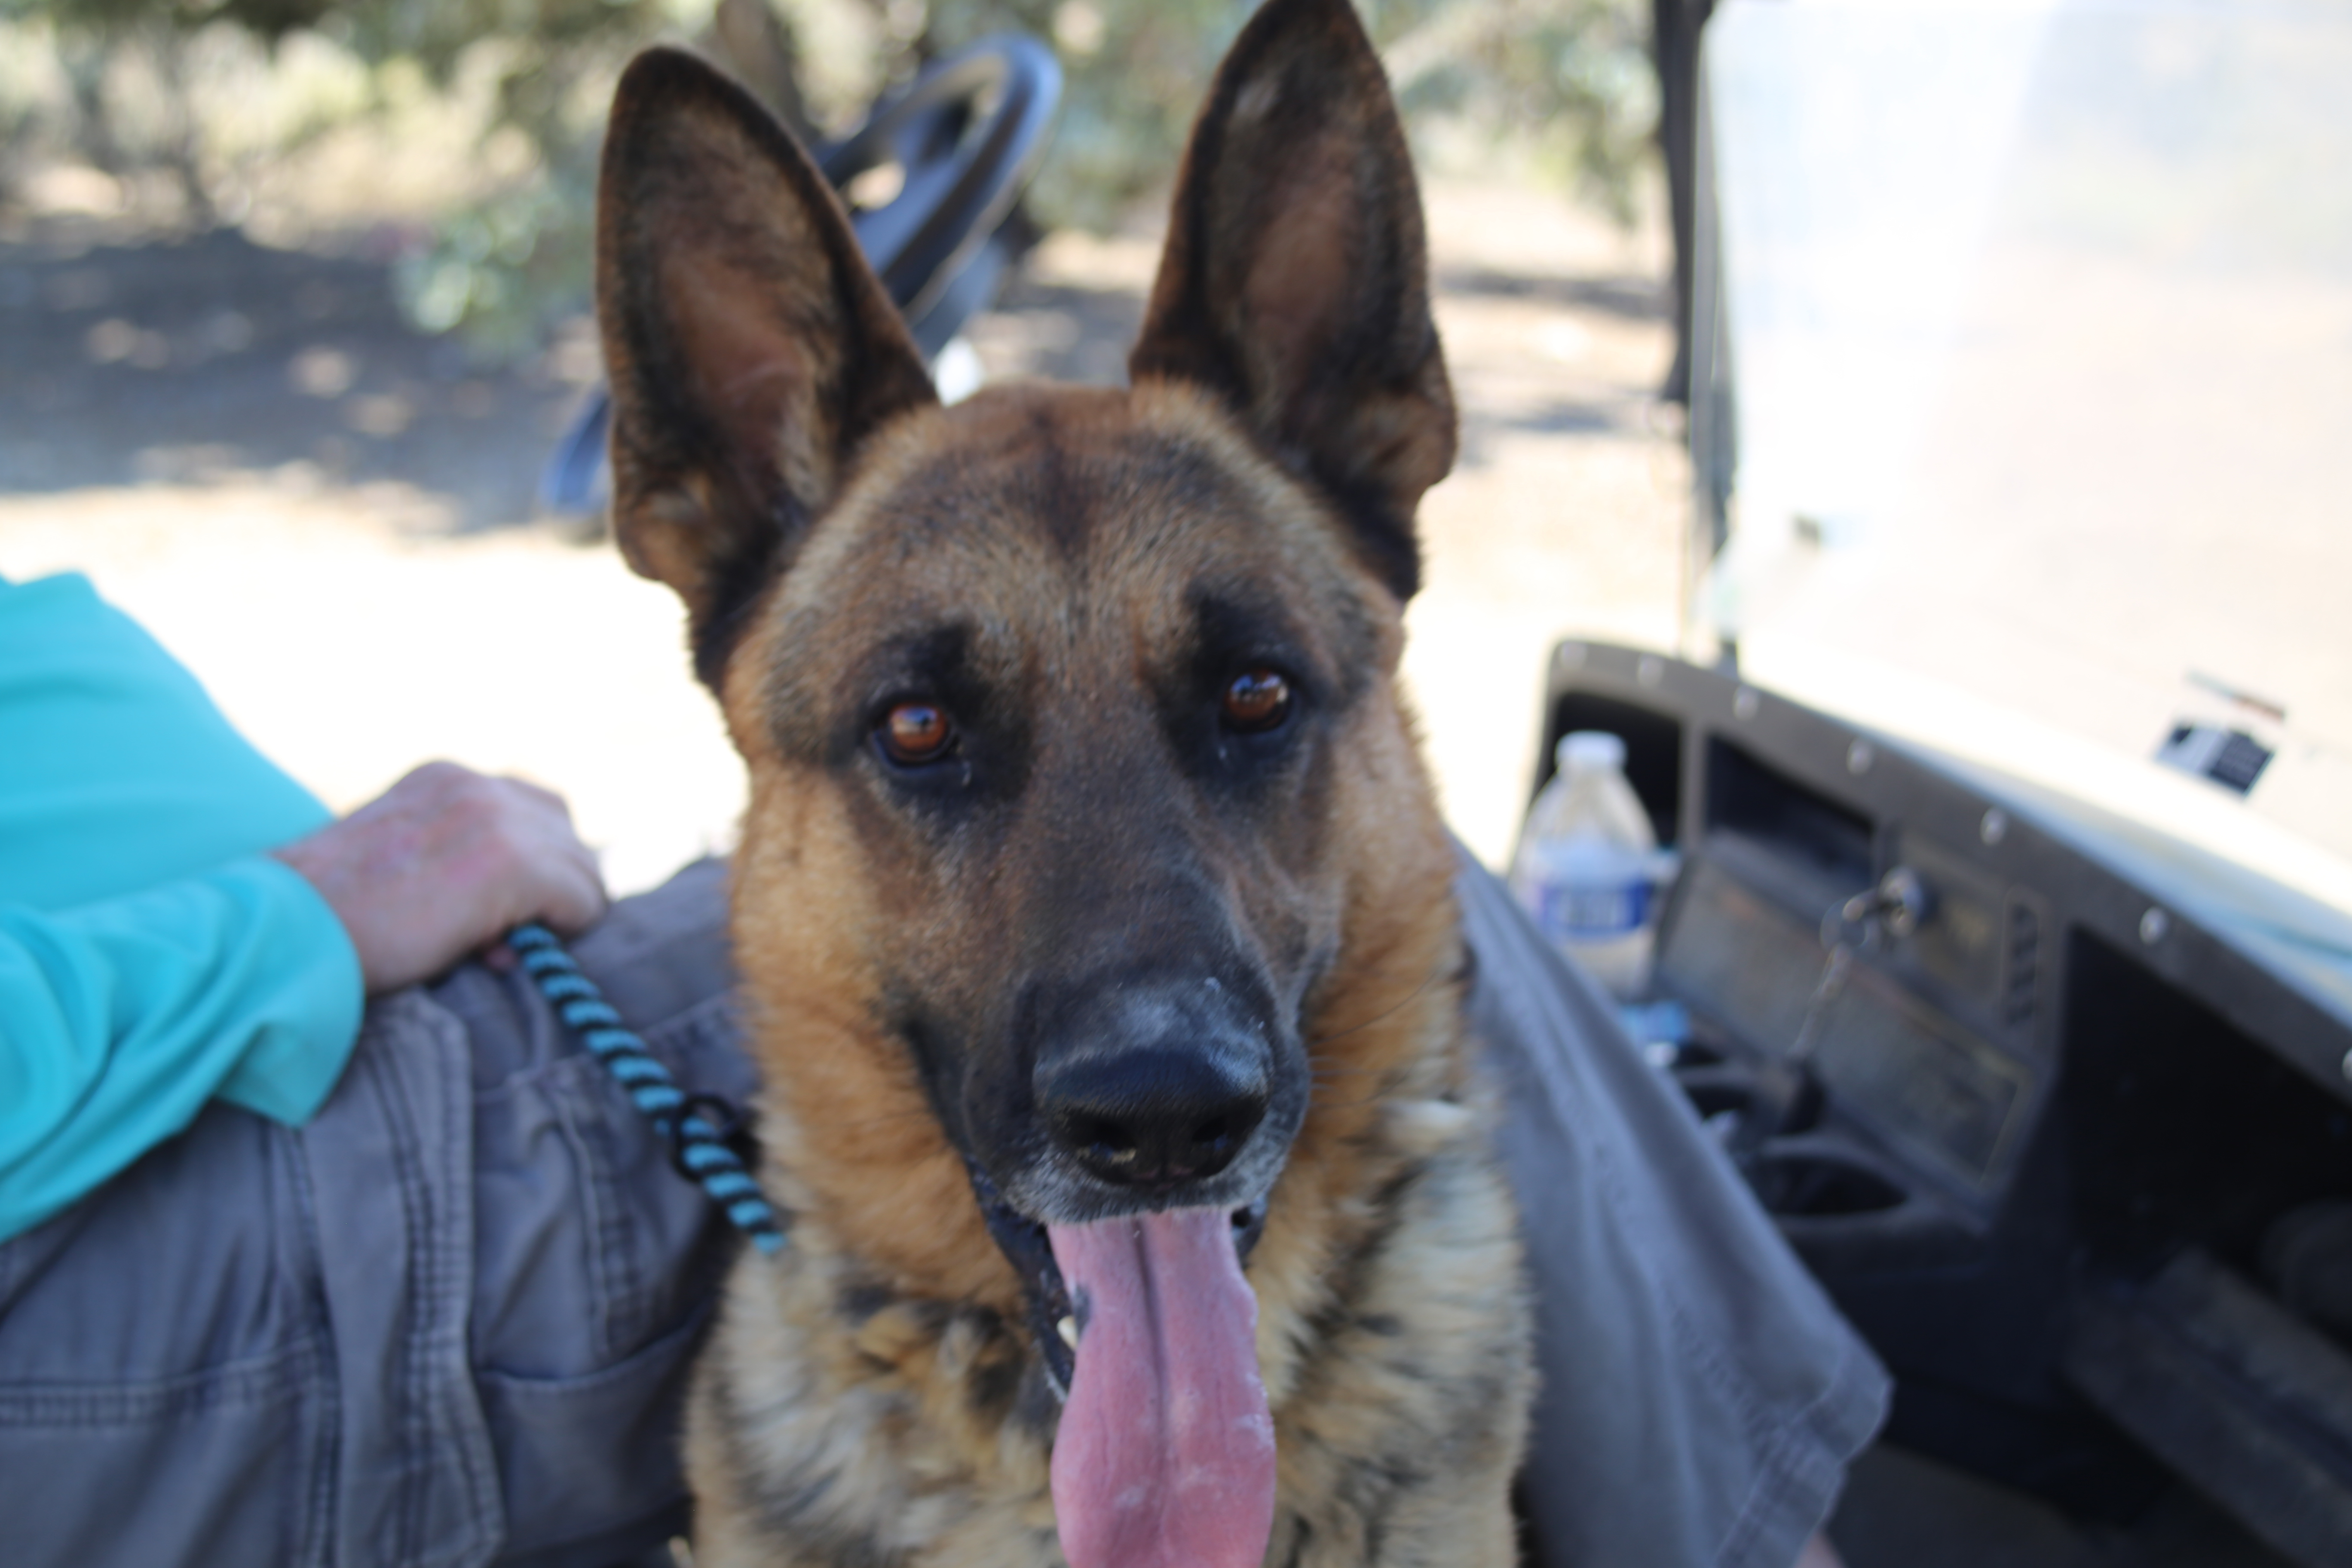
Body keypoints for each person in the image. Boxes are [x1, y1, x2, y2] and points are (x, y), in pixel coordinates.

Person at [0, 567, 1883, 1567]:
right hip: (186, 1182)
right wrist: (296, 918)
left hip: (240, 1074)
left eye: (1242, 706)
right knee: (1386, 890)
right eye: (918, 728)